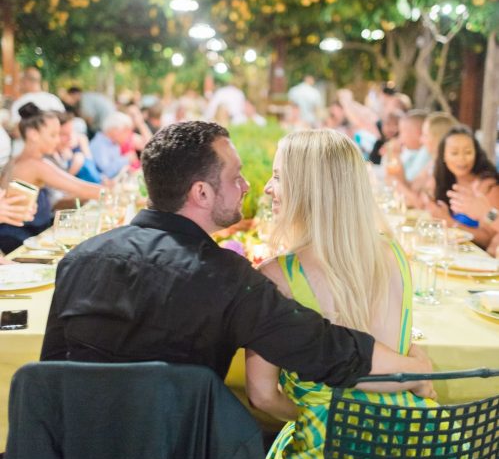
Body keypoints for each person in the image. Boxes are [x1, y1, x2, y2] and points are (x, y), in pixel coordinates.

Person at [41, 121, 433, 392]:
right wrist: (416, 370)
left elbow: (48, 377)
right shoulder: (227, 278)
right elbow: (324, 349)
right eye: (236, 177)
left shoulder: (79, 260)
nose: (249, 186)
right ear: (201, 193)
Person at [245, 129, 462, 459]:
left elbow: (261, 396)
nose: (269, 187)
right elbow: (400, 352)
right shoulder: (394, 254)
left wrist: (310, 414)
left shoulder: (276, 277)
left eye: (279, 176)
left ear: (310, 188)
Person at [0, 104, 103, 253]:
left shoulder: (15, 160)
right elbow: (82, 189)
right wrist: (114, 192)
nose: (57, 140)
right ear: (33, 134)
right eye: (53, 135)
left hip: (18, 237)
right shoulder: (35, 165)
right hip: (20, 241)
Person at [428, 125, 499, 248]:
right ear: (443, 156)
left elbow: (490, 235)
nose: (461, 159)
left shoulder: (487, 185)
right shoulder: (444, 180)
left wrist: (485, 213)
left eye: (468, 152)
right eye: (454, 153)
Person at [394, 111, 457, 208]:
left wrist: (396, 183)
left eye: (425, 135)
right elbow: (412, 187)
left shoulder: (446, 167)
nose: (421, 140)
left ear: (438, 138)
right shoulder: (433, 162)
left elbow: (421, 203)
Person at [89, 111, 135, 179]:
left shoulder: (114, 144)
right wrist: (126, 159)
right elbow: (106, 172)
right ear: (115, 130)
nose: (127, 136)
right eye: (125, 131)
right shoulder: (99, 144)